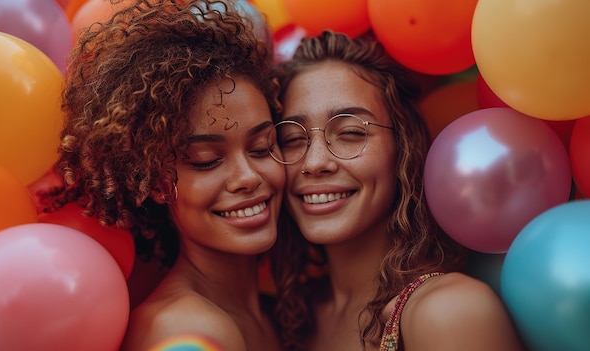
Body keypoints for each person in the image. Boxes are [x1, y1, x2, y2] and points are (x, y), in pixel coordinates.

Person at [46, 1, 285, 350]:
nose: (247, 176)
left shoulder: (274, 309)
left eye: (262, 147)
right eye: (206, 161)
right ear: (156, 183)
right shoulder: (185, 329)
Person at [268, 30, 528, 351]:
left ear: (403, 148)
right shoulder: (289, 318)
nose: (315, 161)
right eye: (292, 139)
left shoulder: (449, 312)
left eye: (350, 132)